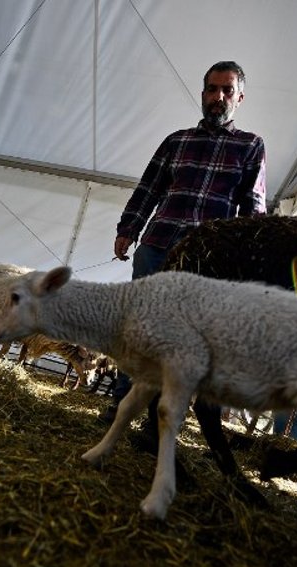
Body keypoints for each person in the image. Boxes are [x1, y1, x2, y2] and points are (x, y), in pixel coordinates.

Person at [100, 60, 269, 424]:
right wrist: (127, 228)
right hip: (157, 244)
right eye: (212, 89)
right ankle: (119, 407)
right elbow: (149, 188)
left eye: (227, 90)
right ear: (203, 93)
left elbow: (253, 206)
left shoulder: (250, 146)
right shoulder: (177, 141)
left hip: (207, 259)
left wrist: (250, 257)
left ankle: (158, 419)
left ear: (239, 97)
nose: (218, 97)